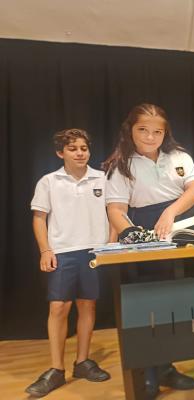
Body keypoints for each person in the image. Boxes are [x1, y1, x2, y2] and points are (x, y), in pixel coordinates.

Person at [104, 103, 194, 398]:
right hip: (145, 231)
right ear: (130, 130)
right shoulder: (120, 165)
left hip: (183, 227)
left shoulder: (179, 156)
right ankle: (148, 370)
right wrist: (130, 234)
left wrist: (170, 212)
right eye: (143, 130)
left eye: (157, 131)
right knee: (149, 305)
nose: (150, 137)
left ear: (166, 133)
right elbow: (116, 209)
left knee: (177, 303)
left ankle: (166, 365)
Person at [27, 129, 111, 397]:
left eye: (84, 148)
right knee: (59, 307)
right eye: (73, 148)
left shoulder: (102, 178)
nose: (80, 153)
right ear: (60, 152)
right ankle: (56, 369)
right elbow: (39, 218)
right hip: (63, 252)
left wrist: (110, 246)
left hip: (94, 251)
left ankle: (82, 362)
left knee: (87, 305)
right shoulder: (49, 182)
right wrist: (45, 250)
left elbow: (114, 213)